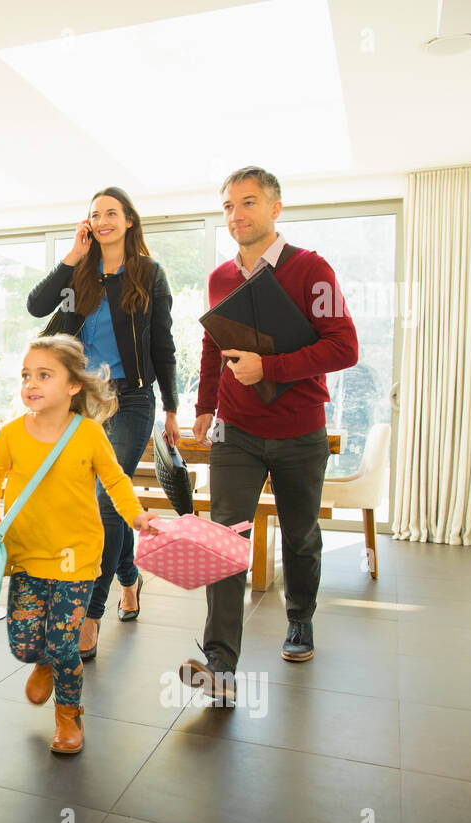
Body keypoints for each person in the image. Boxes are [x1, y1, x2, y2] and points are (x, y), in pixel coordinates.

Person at [181, 166, 358, 701]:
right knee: (224, 540)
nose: (237, 215)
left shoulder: (312, 270)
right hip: (234, 433)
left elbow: (344, 347)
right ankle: (220, 662)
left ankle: (300, 617)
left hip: (300, 432)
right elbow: (214, 347)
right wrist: (205, 406)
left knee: (300, 535)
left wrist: (270, 368)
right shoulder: (219, 279)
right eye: (229, 206)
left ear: (276, 208)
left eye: (249, 203)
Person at [0, 335, 159, 753]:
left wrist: (136, 515)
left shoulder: (89, 434)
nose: (31, 384)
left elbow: (115, 480)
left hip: (77, 558)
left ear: (74, 385)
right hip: (26, 556)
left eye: (44, 375)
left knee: (64, 644)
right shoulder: (10, 434)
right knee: (23, 642)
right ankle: (41, 660)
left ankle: (68, 714)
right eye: (26, 376)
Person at [26, 187, 178, 661]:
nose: (103, 220)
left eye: (111, 213)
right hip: (85, 403)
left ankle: (90, 614)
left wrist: (172, 407)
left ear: (129, 220)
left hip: (131, 399)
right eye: (95, 215)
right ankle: (129, 579)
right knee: (105, 502)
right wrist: (72, 257)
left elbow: (163, 346)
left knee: (105, 505)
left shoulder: (148, 275)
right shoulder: (82, 275)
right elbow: (37, 308)